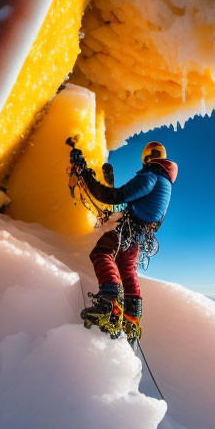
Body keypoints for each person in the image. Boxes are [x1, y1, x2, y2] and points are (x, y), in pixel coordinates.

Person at [72, 141, 177, 340]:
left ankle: (109, 303)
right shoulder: (166, 184)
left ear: (147, 158)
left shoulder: (150, 176)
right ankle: (132, 317)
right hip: (139, 237)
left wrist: (85, 174)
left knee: (102, 253)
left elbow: (115, 196)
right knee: (127, 271)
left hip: (127, 231)